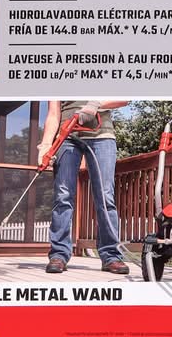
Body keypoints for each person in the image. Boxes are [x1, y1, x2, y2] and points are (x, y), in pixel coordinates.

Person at [38, 99, 130, 275]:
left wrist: (95, 104)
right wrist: (46, 144)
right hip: (66, 136)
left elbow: (124, 98)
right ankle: (59, 255)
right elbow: (54, 113)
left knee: (105, 196)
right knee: (63, 195)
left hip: (102, 136)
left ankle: (111, 256)